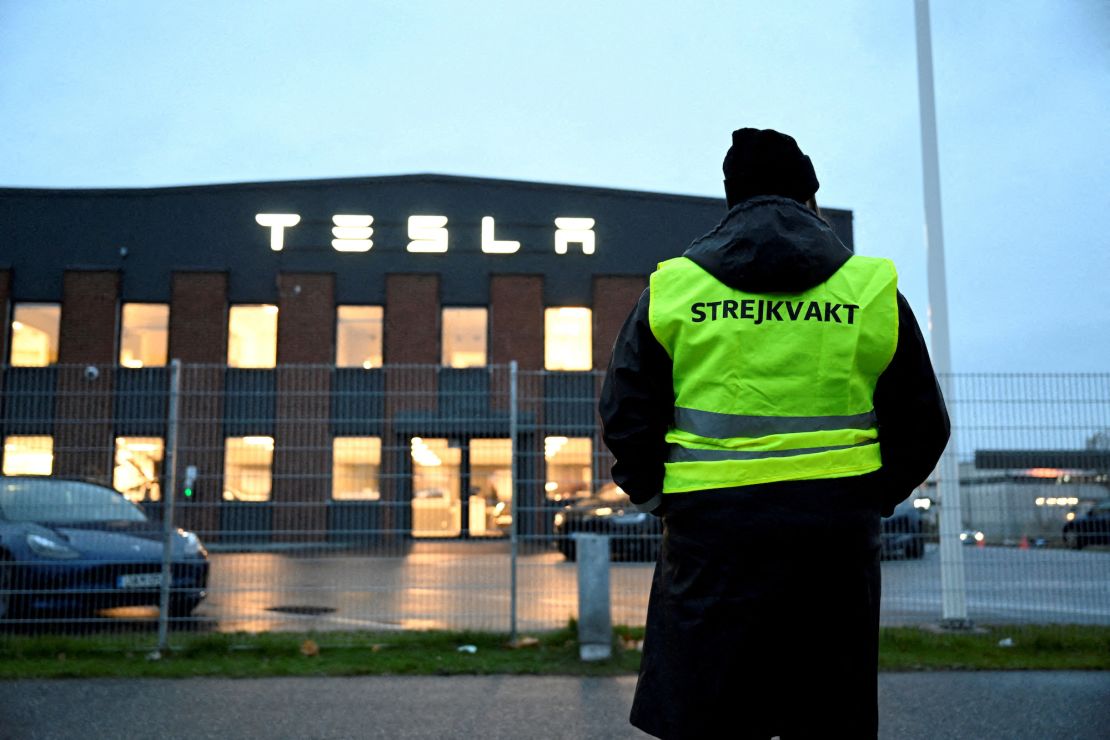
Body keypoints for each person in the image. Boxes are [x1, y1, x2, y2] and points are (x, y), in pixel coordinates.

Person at [598, 128, 950, 739]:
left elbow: (627, 412)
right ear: (809, 198)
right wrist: (869, 498)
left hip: (711, 537)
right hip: (833, 542)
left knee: (711, 714)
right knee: (824, 714)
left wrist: (656, 498)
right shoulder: (869, 289)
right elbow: (924, 422)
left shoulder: (677, 287)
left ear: (731, 199)